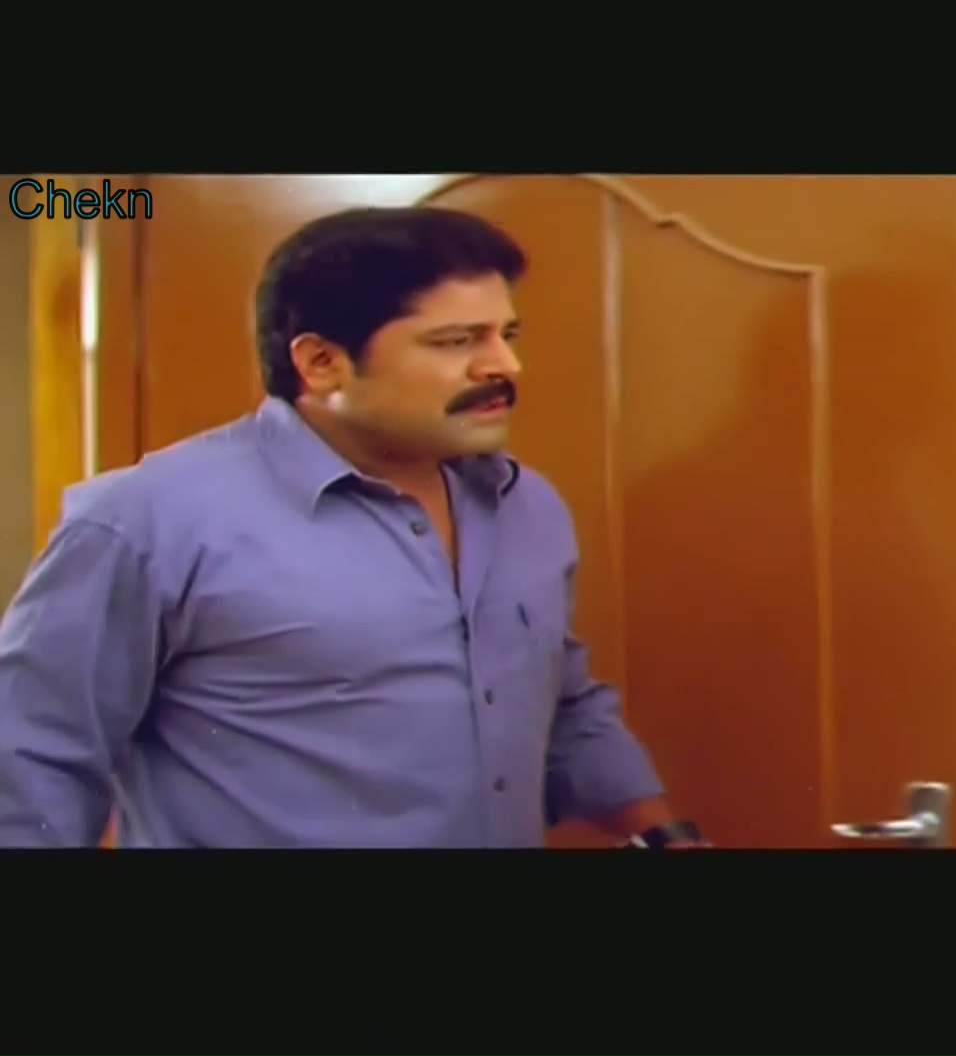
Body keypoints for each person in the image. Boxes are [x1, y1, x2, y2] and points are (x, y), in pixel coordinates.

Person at [0, 205, 708, 848]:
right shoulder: (145, 521)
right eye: (456, 341)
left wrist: (658, 833)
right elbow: (32, 756)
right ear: (322, 363)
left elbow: (563, 702)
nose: (504, 365)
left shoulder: (527, 506)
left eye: (506, 335)